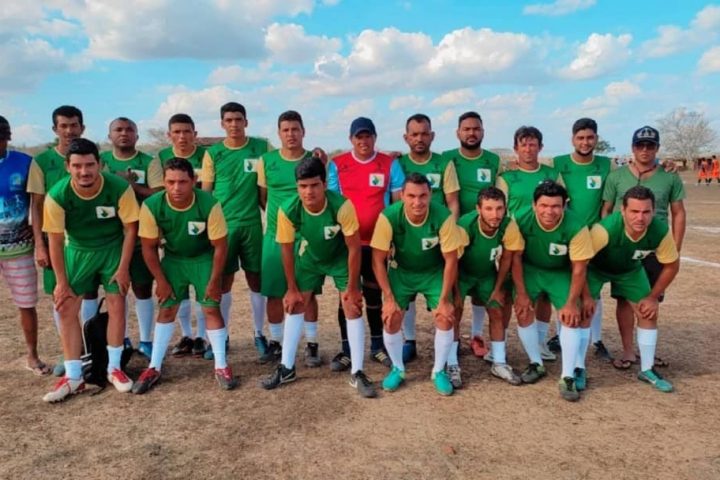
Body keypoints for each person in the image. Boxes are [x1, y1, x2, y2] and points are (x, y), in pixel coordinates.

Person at [261, 157, 376, 397]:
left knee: (352, 306)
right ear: (297, 187)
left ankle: (357, 372)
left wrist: (353, 287)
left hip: (340, 258)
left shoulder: (341, 205)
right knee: (295, 304)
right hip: (310, 257)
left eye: (314, 185)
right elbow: (286, 249)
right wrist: (291, 288)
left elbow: (354, 247)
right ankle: (287, 368)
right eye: (303, 186)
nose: (308, 191)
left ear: (324, 184)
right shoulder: (288, 209)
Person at [42, 139, 140, 402]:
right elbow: (55, 240)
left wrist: (123, 267)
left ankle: (114, 368)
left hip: (112, 249)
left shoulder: (119, 187)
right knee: (66, 307)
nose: (84, 171)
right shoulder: (57, 195)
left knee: (117, 303)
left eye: (89, 165)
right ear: (68, 166)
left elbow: (131, 229)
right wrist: (61, 281)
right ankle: (74, 375)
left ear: (99, 164)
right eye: (77, 166)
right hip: (78, 251)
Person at [133, 158, 237, 393]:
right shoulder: (152, 205)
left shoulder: (209, 203)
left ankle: (221, 365)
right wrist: (161, 281)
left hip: (203, 259)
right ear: (164, 182)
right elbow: (148, 247)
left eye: (182, 182)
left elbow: (220, 246)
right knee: (167, 308)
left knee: (211, 308)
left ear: (194, 181)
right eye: (170, 182)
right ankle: (154, 366)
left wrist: (214, 281)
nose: (176, 188)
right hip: (174, 260)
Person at [370, 173, 467, 396]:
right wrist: (388, 298)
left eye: (423, 196)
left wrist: (444, 299)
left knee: (445, 316)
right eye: (411, 196)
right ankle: (398, 368)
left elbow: (451, 260)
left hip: (433, 272)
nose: (417, 202)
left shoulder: (443, 216)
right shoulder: (389, 216)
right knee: (391, 317)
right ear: (402, 195)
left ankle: (438, 371)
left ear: (430, 194)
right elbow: (377, 260)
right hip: (402, 272)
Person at [602, 126, 685, 369]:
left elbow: (678, 213)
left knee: (650, 300)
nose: (645, 150)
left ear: (657, 148)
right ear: (633, 147)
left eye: (650, 145)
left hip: (654, 247)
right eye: (640, 145)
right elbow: (606, 209)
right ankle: (628, 350)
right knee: (624, 300)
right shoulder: (616, 176)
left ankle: (646, 351)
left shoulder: (670, 176)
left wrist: (675, 246)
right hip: (623, 248)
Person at [326, 117, 405, 372]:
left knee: (373, 294)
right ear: (351, 139)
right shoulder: (337, 164)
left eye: (367, 136)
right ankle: (347, 350)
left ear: (374, 137)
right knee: (347, 295)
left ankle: (377, 347)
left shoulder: (389, 164)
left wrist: (393, 240)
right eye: (358, 137)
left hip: (377, 243)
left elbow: (397, 204)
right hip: (348, 244)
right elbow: (333, 203)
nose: (363, 141)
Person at [589, 186, 680, 392]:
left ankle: (647, 369)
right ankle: (577, 369)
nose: (640, 217)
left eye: (646, 212)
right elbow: (580, 262)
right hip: (595, 269)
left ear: (654, 211)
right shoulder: (604, 229)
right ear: (623, 210)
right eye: (634, 211)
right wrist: (585, 296)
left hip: (629, 270)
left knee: (647, 312)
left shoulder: (660, 230)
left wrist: (653, 297)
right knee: (582, 312)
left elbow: (672, 265)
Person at [511, 181, 594, 401]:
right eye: (544, 205)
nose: (549, 211)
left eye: (556, 206)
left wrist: (571, 302)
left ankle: (568, 375)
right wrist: (521, 294)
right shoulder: (520, 219)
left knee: (571, 317)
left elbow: (579, 267)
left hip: (560, 272)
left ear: (564, 205)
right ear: (534, 205)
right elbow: (515, 257)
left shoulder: (577, 225)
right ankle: (536, 363)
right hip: (530, 269)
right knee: (523, 311)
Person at [202, 103, 270, 360]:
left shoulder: (261, 148)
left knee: (256, 280)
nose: (234, 124)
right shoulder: (214, 154)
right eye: (229, 120)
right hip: (223, 227)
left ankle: (259, 333)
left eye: (238, 119)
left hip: (252, 224)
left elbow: (269, 184)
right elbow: (206, 192)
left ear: (246, 122)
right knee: (223, 282)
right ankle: (223, 336)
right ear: (222, 124)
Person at [26, 105, 88, 377]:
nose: (69, 130)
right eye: (63, 126)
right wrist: (40, 245)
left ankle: (89, 349)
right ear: (55, 129)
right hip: (55, 241)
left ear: (82, 127)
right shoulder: (41, 162)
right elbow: (36, 205)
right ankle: (69, 352)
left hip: (86, 241)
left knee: (87, 295)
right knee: (60, 296)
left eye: (74, 125)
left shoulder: (90, 155)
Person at [256, 110, 320, 364]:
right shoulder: (267, 160)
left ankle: (312, 343)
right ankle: (276, 341)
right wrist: (279, 220)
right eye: (286, 130)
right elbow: (263, 197)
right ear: (279, 133)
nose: (291, 134)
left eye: (295, 129)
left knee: (308, 292)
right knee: (274, 292)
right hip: (275, 235)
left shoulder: (314, 159)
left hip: (305, 236)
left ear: (303, 131)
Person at [397, 113, 460, 361]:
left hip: (437, 237)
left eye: (424, 134)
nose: (419, 138)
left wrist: (448, 233)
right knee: (407, 291)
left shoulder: (444, 163)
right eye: (414, 134)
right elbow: (394, 201)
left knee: (444, 293)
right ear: (406, 138)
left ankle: (447, 350)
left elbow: (452, 201)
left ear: (432, 136)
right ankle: (409, 340)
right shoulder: (398, 164)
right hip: (407, 237)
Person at [101, 117, 163, 359]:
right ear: (110, 136)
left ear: (137, 136)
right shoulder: (101, 161)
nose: (123, 133)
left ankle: (146, 341)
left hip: (141, 236)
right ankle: (122, 338)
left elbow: (158, 195)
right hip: (110, 238)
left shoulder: (149, 162)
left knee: (142, 288)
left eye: (129, 130)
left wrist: (131, 186)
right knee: (115, 291)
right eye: (118, 129)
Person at [552, 118, 613, 361]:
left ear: (596, 139)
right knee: (568, 287)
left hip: (596, 236)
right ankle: (561, 334)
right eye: (580, 138)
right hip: (569, 235)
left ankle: (596, 339)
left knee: (593, 288)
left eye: (589, 138)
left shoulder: (606, 165)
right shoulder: (559, 163)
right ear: (572, 139)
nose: (585, 142)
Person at [442, 111, 502, 358]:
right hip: (457, 231)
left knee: (480, 285)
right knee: (456, 289)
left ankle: (476, 335)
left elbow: (501, 190)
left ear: (483, 132)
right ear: (458, 133)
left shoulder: (493, 160)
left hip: (485, 231)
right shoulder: (447, 158)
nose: (471, 133)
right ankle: (447, 345)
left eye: (476, 129)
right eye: (466, 129)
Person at [497, 126, 559, 362]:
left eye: (533, 144)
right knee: (506, 295)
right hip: (515, 243)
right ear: (516, 148)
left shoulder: (552, 175)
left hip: (543, 242)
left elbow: (561, 205)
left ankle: (540, 342)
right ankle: (499, 344)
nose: (528, 149)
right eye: (523, 145)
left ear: (540, 147)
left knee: (543, 294)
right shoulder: (507, 178)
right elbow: (500, 210)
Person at [455, 186, 524, 386]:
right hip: (463, 274)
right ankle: (451, 364)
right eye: (489, 209)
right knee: (454, 312)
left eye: (499, 208)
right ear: (478, 209)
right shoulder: (465, 224)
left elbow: (507, 258)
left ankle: (499, 362)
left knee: (497, 311)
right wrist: (455, 291)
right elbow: (453, 261)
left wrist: (498, 288)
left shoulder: (508, 225)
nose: (495, 214)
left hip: (486, 275)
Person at [0, 116, 51, 375]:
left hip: (18, 247)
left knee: (26, 303)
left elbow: (37, 204)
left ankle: (32, 355)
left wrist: (39, 241)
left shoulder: (25, 163)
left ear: (8, 136)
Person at [158, 113, 209, 357]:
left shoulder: (206, 156)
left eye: (186, 131)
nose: (182, 136)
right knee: (179, 288)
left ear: (194, 134)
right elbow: (159, 193)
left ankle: (202, 336)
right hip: (173, 229)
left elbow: (209, 190)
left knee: (202, 288)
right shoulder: (161, 158)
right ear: (169, 135)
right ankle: (187, 334)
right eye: (176, 132)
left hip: (201, 225)